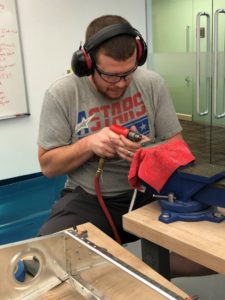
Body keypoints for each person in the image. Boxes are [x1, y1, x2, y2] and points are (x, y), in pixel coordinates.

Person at [37, 14, 214, 278]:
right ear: (87, 64)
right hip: (90, 199)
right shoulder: (62, 94)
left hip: (150, 190)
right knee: (48, 260)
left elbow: (178, 147)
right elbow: (48, 166)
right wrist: (89, 144)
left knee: (215, 244)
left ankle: (150, 272)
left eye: (128, 73)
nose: (121, 84)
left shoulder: (151, 84)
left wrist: (151, 148)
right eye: (111, 76)